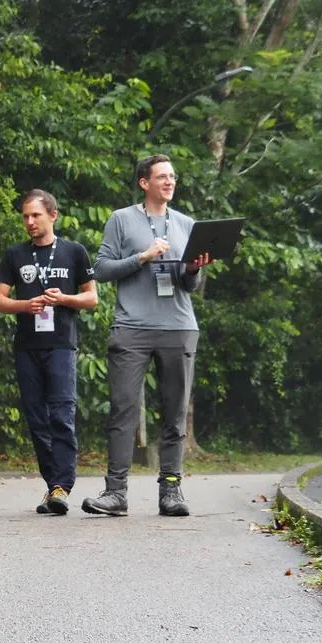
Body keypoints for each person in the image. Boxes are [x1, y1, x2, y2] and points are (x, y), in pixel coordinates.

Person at [81, 155, 213, 517]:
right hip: (131, 327)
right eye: (162, 177)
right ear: (144, 183)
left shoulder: (187, 224)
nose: (169, 182)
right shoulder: (121, 219)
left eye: (172, 176)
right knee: (123, 410)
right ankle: (115, 493)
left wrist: (194, 270)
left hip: (179, 327)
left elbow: (190, 285)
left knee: (174, 413)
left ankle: (171, 492)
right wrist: (142, 257)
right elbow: (100, 269)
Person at [0, 189, 97, 515]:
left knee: (62, 415)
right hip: (27, 346)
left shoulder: (74, 252)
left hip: (61, 345)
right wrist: (27, 305)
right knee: (37, 419)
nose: (29, 221)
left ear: (53, 215)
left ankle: (62, 485)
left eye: (36, 215)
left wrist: (63, 299)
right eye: (25, 216)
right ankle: (54, 487)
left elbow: (91, 298)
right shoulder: (15, 254)